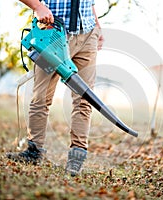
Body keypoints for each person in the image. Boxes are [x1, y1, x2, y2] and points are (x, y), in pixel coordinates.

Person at [7, 0, 104, 176]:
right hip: (52, 33)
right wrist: (37, 6)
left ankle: (76, 158)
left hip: (88, 34)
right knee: (41, 97)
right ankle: (34, 152)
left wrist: (97, 26)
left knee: (84, 99)